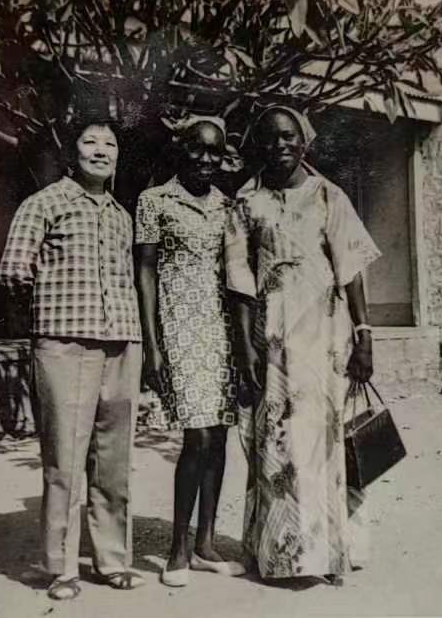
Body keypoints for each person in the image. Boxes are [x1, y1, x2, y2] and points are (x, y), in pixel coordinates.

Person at [224, 105, 381, 584]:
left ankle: (332, 551)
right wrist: (245, 346)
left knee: (323, 438)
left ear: (304, 140)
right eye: (270, 138)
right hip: (270, 336)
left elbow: (351, 270)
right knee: (278, 437)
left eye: (289, 136)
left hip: (324, 335)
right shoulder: (246, 203)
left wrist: (364, 335)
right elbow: (239, 281)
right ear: (258, 145)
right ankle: (281, 554)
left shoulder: (329, 195)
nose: (280, 145)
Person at [0, 111, 145, 600]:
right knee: (64, 457)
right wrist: (52, 315)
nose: (101, 151)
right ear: (72, 151)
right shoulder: (44, 203)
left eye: (110, 144)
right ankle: (59, 567)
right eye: (90, 142)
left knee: (114, 460)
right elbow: (13, 272)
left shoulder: (121, 215)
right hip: (64, 343)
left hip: (121, 341)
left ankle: (112, 560)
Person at [135, 115, 244, 587]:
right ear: (181, 149)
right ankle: (177, 548)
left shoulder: (228, 205)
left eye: (214, 151)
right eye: (197, 148)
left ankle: (205, 544)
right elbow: (145, 272)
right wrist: (151, 344)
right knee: (196, 437)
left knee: (218, 438)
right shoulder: (154, 201)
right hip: (178, 328)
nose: (205, 159)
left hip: (222, 333)